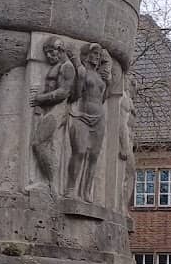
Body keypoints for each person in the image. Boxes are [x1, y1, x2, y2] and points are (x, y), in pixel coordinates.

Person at [29, 36, 76, 192]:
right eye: (46, 53)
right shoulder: (57, 66)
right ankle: (49, 182)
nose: (48, 56)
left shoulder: (67, 67)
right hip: (50, 109)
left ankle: (51, 183)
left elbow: (64, 92)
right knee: (47, 144)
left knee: (39, 142)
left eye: (51, 52)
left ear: (60, 50)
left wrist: (40, 98)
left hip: (58, 109)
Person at [66, 43, 110, 201]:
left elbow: (102, 99)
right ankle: (71, 188)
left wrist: (108, 83)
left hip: (99, 119)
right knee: (79, 152)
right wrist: (80, 77)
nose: (97, 56)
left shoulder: (100, 76)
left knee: (93, 156)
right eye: (94, 53)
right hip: (82, 116)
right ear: (86, 54)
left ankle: (86, 191)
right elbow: (76, 95)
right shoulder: (83, 72)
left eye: (99, 54)